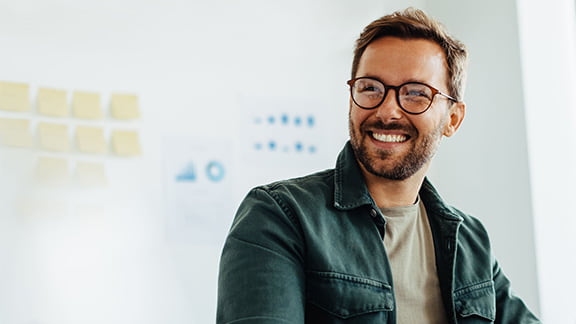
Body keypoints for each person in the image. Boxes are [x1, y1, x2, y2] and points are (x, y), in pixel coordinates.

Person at [217, 7, 541, 324]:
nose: (387, 112)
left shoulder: (469, 240)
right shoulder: (279, 216)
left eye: (416, 93)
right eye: (370, 88)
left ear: (452, 119)